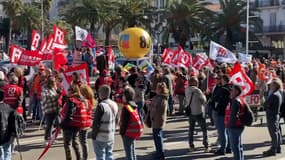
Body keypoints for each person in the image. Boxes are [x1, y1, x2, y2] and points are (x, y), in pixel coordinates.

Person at [60, 84, 87, 160]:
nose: (67, 91)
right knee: (75, 142)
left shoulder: (71, 100)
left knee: (67, 144)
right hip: (77, 124)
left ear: (72, 91)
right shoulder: (80, 99)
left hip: (69, 125)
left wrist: (63, 124)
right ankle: (79, 158)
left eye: (68, 89)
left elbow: (69, 114)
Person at [92, 85, 118, 160]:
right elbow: (116, 120)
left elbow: (96, 123)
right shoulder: (114, 104)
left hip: (100, 136)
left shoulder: (101, 106)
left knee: (100, 156)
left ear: (101, 94)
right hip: (110, 135)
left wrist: (94, 135)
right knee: (109, 155)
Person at [185, 76, 209, 152]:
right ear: (194, 82)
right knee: (204, 129)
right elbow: (204, 101)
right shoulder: (197, 90)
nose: (198, 83)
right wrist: (204, 94)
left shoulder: (187, 89)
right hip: (198, 112)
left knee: (191, 130)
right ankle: (206, 145)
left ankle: (191, 145)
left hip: (190, 112)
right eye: (196, 81)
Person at [120, 86, 143, 160]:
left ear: (125, 96)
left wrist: (122, 132)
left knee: (128, 152)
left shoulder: (126, 107)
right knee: (132, 150)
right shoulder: (134, 105)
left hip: (127, 132)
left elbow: (124, 122)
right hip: (133, 131)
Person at [148, 82, 168, 160]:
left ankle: (160, 153)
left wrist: (150, 106)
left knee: (157, 137)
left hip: (157, 119)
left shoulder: (161, 98)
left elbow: (157, 109)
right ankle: (159, 152)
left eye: (157, 88)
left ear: (159, 89)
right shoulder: (161, 98)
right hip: (157, 119)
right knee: (158, 136)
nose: (155, 89)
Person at [211, 74, 232, 155]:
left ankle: (223, 148)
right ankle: (228, 148)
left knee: (222, 131)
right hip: (228, 112)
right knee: (227, 131)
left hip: (221, 111)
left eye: (221, 79)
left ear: (223, 80)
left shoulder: (223, 89)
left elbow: (215, 98)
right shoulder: (231, 88)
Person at [263, 78, 283, 157]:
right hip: (275, 115)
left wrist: (265, 101)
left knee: (273, 133)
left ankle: (273, 149)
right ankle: (277, 147)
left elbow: (266, 104)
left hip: (272, 115)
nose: (270, 85)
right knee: (276, 132)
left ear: (275, 86)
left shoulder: (274, 94)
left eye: (271, 84)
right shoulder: (278, 93)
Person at [225, 85, 245, 160]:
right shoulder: (239, 99)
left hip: (234, 126)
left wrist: (229, 125)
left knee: (235, 148)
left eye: (232, 90)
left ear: (236, 91)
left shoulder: (235, 100)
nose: (230, 92)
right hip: (238, 126)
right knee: (238, 146)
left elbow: (233, 115)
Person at [41, 77, 61, 145]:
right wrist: (56, 96)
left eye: (55, 82)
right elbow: (46, 97)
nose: (55, 84)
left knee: (59, 124)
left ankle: (53, 137)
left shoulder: (54, 88)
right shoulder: (45, 89)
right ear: (50, 83)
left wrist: (59, 92)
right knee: (49, 125)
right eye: (53, 83)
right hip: (49, 110)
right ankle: (47, 138)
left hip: (56, 109)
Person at [79, 84, 96, 160]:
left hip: (84, 123)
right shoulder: (89, 100)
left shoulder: (85, 100)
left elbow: (85, 110)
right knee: (83, 141)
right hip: (87, 122)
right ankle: (84, 157)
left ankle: (85, 157)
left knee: (83, 141)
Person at [0, 90, 17, 160]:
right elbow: (14, 123)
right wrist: (14, 134)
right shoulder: (9, 108)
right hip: (8, 135)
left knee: (1, 154)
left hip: (2, 135)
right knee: (7, 152)